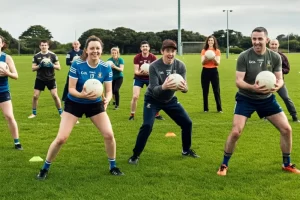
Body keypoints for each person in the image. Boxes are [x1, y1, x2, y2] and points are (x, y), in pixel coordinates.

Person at [36, 36, 124, 180]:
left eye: (98, 48)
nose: (95, 51)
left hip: (95, 104)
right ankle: (45, 168)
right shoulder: (77, 64)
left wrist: (107, 100)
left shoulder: (106, 66)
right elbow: (71, 89)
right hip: (74, 103)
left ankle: (113, 166)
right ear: (86, 50)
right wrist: (82, 95)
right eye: (92, 48)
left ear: (101, 50)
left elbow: (108, 91)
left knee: (109, 135)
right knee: (61, 138)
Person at [217, 27, 300, 176]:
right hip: (245, 98)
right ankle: (224, 164)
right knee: (236, 131)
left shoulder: (275, 57)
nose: (256, 42)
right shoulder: (244, 56)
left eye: (260, 39)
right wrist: (254, 88)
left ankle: (287, 164)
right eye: (254, 39)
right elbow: (239, 81)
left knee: (287, 129)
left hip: (267, 99)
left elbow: (280, 79)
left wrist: (277, 86)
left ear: (266, 40)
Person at [128, 39, 199, 165]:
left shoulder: (180, 66)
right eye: (167, 51)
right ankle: (135, 155)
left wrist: (185, 88)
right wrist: (164, 86)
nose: (170, 54)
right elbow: (155, 89)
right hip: (153, 99)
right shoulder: (154, 66)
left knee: (187, 123)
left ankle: (186, 150)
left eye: (173, 51)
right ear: (162, 51)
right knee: (147, 126)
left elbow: (185, 88)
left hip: (170, 100)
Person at [129, 41, 164, 120]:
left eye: (146, 46)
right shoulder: (137, 57)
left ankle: (156, 114)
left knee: (156, 96)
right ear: (141, 48)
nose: (145, 47)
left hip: (150, 78)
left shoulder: (153, 57)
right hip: (139, 78)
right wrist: (141, 73)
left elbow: (156, 71)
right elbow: (136, 71)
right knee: (135, 96)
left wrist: (149, 73)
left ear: (149, 48)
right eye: (143, 46)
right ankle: (132, 115)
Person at [28, 40, 62, 118]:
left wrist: (51, 65)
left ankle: (61, 113)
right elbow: (33, 68)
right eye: (42, 45)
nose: (44, 47)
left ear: (48, 46)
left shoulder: (53, 55)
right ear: (40, 46)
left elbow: (59, 67)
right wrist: (39, 65)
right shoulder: (36, 56)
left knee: (55, 95)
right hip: (40, 79)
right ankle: (34, 113)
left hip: (51, 79)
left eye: (45, 45)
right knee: (35, 96)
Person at [269, 39, 299, 122]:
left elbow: (287, 69)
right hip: (267, 82)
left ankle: (294, 116)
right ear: (269, 45)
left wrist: (279, 70)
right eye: (272, 44)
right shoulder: (264, 55)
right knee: (263, 99)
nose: (274, 46)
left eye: (275, 44)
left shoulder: (282, 56)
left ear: (278, 45)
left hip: (279, 82)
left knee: (286, 97)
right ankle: (266, 116)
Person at [0, 35, 22, 150]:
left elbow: (16, 75)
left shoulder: (6, 58)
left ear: (2, 44)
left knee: (9, 116)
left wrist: (7, 73)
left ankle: (17, 143)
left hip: (3, 91)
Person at [200, 35, 222, 113]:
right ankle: (206, 109)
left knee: (216, 90)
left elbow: (217, 63)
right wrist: (206, 58)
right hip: (205, 71)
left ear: (214, 41)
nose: (210, 42)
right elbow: (202, 62)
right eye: (209, 40)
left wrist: (213, 58)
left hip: (214, 71)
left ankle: (219, 109)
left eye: (212, 40)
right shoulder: (204, 50)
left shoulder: (217, 51)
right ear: (207, 42)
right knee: (205, 91)